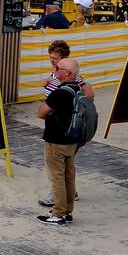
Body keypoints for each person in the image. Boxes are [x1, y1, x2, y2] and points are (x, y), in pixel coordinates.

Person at [37, 58, 82, 225]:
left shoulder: (60, 93)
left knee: (57, 178)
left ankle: (58, 214)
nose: (55, 70)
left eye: (58, 68)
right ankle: (68, 212)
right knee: (69, 177)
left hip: (56, 140)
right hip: (72, 139)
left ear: (67, 73)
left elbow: (42, 112)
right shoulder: (79, 89)